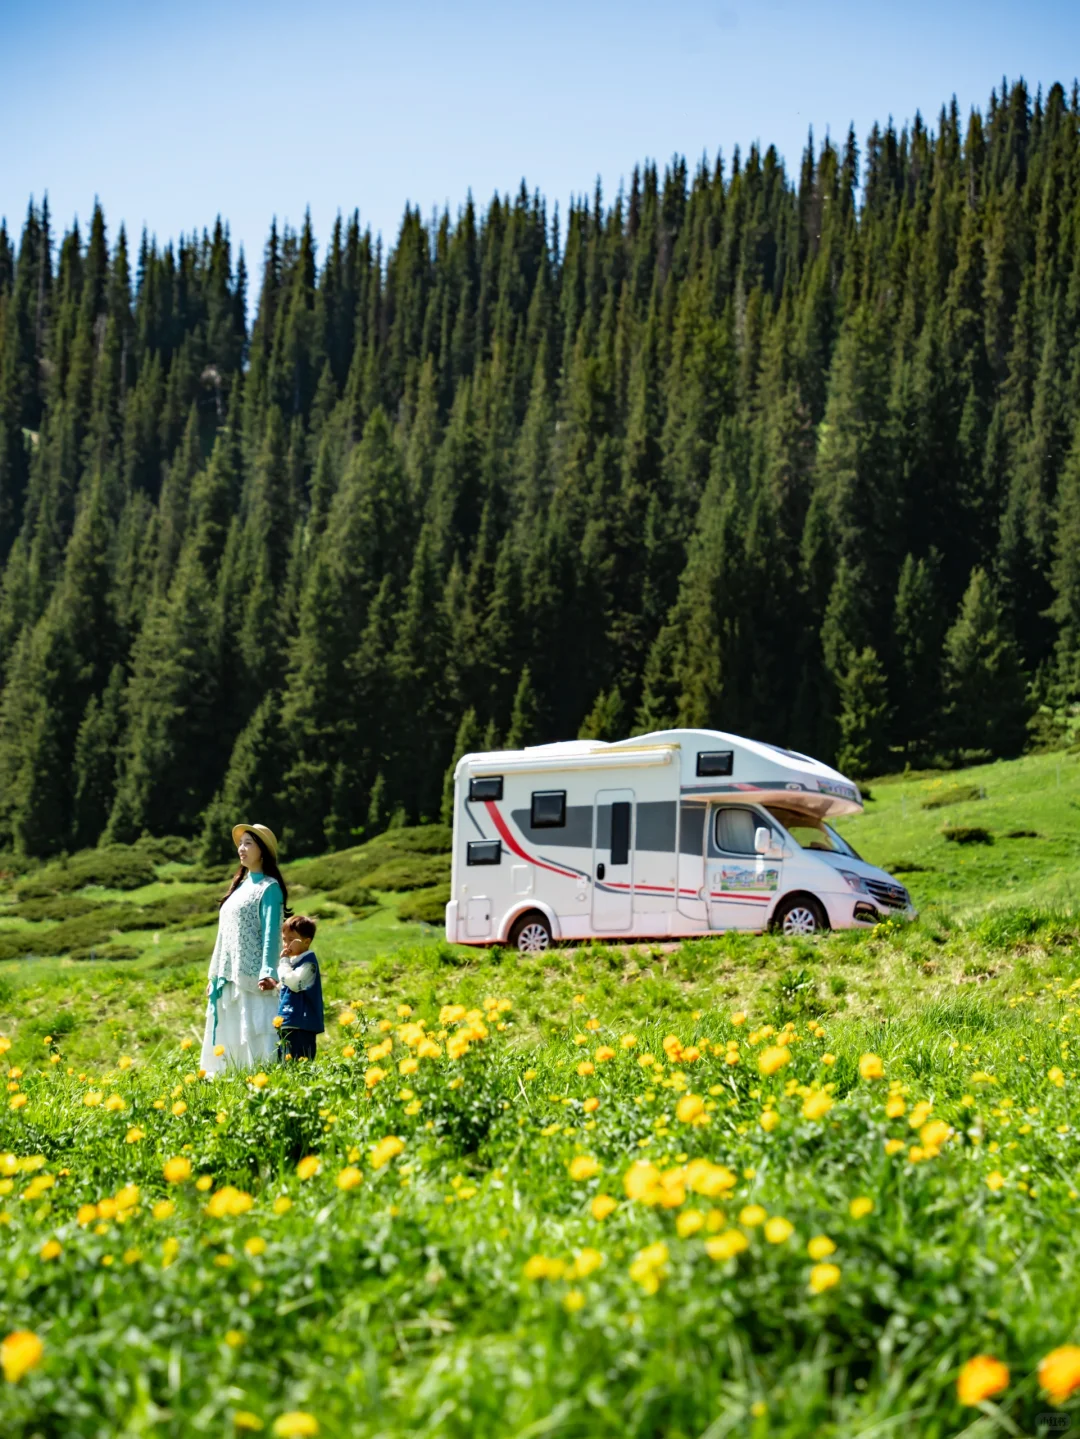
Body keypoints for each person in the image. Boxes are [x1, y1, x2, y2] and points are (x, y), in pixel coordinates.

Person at [199, 824, 288, 1076]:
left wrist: (268, 970)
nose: (242, 848)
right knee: (231, 1037)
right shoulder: (237, 888)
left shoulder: (269, 888)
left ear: (263, 851)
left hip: (253, 978)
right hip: (228, 978)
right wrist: (214, 973)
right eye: (241, 843)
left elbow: (272, 933)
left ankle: (265, 1083)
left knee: (255, 1035)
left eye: (249, 843)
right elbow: (223, 936)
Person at [275, 914, 325, 1062]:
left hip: (302, 1023)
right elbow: (286, 987)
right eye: (284, 940)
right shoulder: (295, 963)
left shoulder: (308, 964)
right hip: (289, 1021)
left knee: (299, 1060)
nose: (286, 944)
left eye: (291, 940)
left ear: (306, 942)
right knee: (285, 1061)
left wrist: (283, 962)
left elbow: (294, 983)